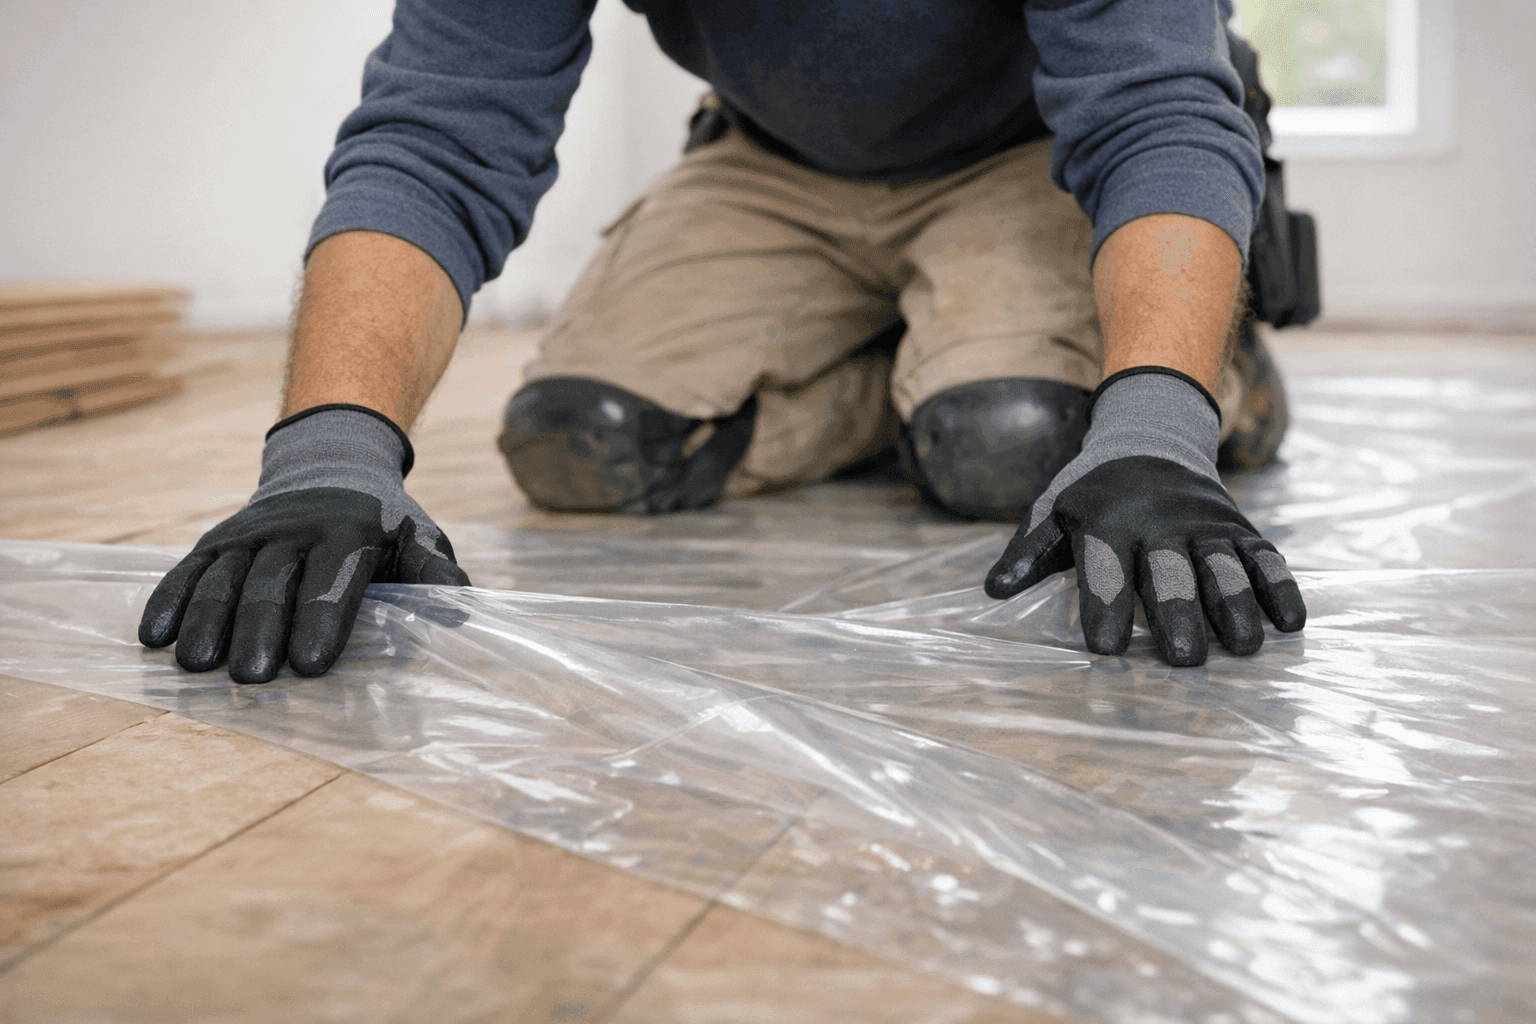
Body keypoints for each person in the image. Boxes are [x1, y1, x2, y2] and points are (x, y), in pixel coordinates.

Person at [138, 0, 1310, 683]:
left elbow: (1153, 114)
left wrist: (1155, 423)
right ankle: (917, 367)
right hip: (773, 156)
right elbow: (439, 136)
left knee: (1012, 441)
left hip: (1032, 149)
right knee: (583, 442)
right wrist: (329, 449)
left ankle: (1209, 354)